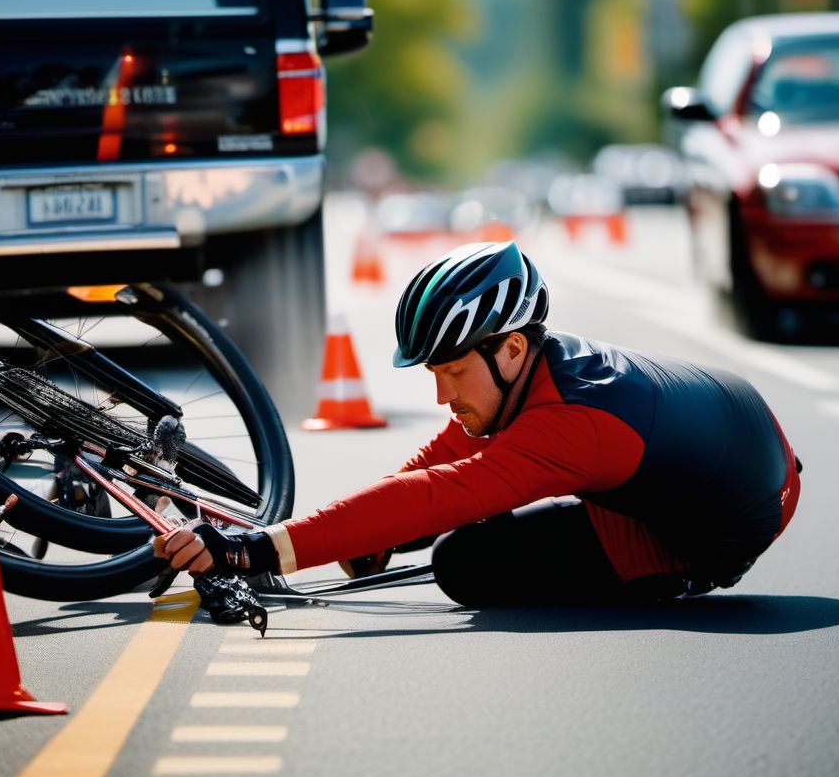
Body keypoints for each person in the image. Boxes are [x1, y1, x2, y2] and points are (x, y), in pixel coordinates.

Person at [154, 241, 802, 605]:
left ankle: (677, 578)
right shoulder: (535, 365)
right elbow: (444, 456)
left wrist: (254, 549)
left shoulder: (571, 426)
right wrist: (365, 537)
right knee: (440, 520)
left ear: (510, 348)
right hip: (745, 444)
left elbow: (443, 494)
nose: (442, 395)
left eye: (453, 372)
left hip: (722, 525)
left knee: (465, 564)